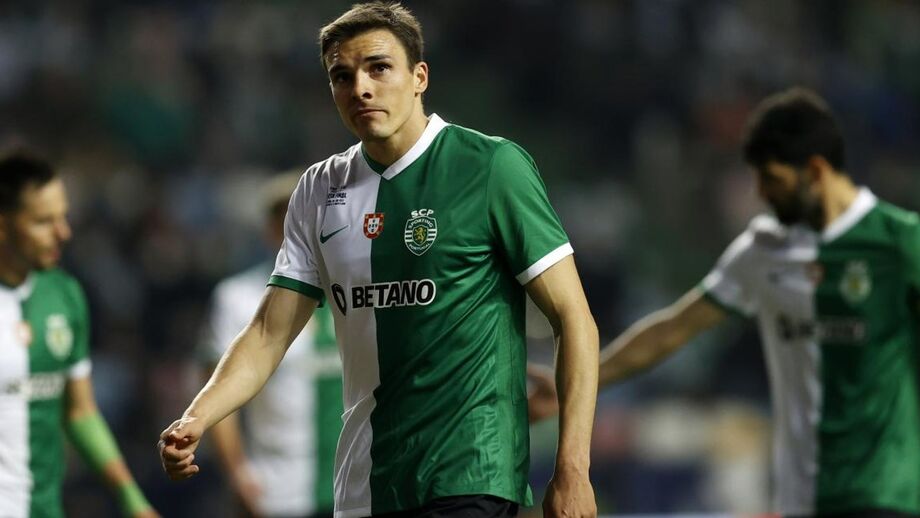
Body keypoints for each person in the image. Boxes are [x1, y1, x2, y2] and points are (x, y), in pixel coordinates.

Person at [158, 3, 599, 518]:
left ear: (419, 77)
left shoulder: (491, 167)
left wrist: (572, 469)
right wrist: (197, 416)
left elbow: (573, 318)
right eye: (341, 76)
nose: (360, 88)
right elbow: (267, 334)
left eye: (378, 68)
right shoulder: (319, 189)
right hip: (363, 485)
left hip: (470, 472)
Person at [594, 87, 920, 516]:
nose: (762, 194)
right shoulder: (760, 253)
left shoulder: (898, 243)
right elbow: (674, 331)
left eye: (771, 179)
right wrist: (584, 384)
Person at [0, 150, 158, 518]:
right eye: (43, 221)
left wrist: (131, 499)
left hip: (44, 508)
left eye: (63, 217)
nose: (63, 233)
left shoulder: (64, 295)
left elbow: (80, 412)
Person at [199, 173, 342, 518]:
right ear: (272, 230)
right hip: (278, 489)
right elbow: (217, 390)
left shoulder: (359, 291)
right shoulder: (237, 298)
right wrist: (237, 473)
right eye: (292, 221)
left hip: (356, 486)